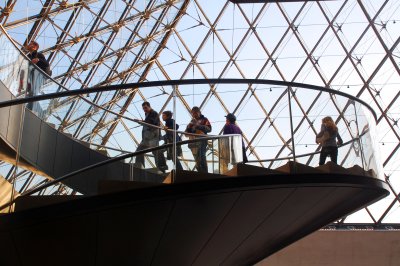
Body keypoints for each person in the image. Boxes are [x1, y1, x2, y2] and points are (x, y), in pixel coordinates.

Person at [135, 102, 167, 173]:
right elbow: (148, 122)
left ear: (149, 106)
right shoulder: (147, 114)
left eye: (145, 108)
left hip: (153, 136)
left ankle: (140, 167)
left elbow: (149, 123)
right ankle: (161, 168)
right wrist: (142, 121)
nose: (144, 110)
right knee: (154, 152)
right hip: (148, 137)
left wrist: (140, 122)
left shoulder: (154, 113)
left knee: (142, 151)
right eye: (143, 108)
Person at [185, 106, 211, 173]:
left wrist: (198, 126)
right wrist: (188, 127)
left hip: (202, 140)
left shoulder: (204, 119)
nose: (194, 115)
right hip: (193, 142)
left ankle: (205, 173)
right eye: (193, 113)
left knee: (202, 156)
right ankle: (200, 172)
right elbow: (186, 133)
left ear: (199, 112)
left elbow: (209, 129)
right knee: (196, 159)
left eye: (195, 113)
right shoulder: (191, 122)